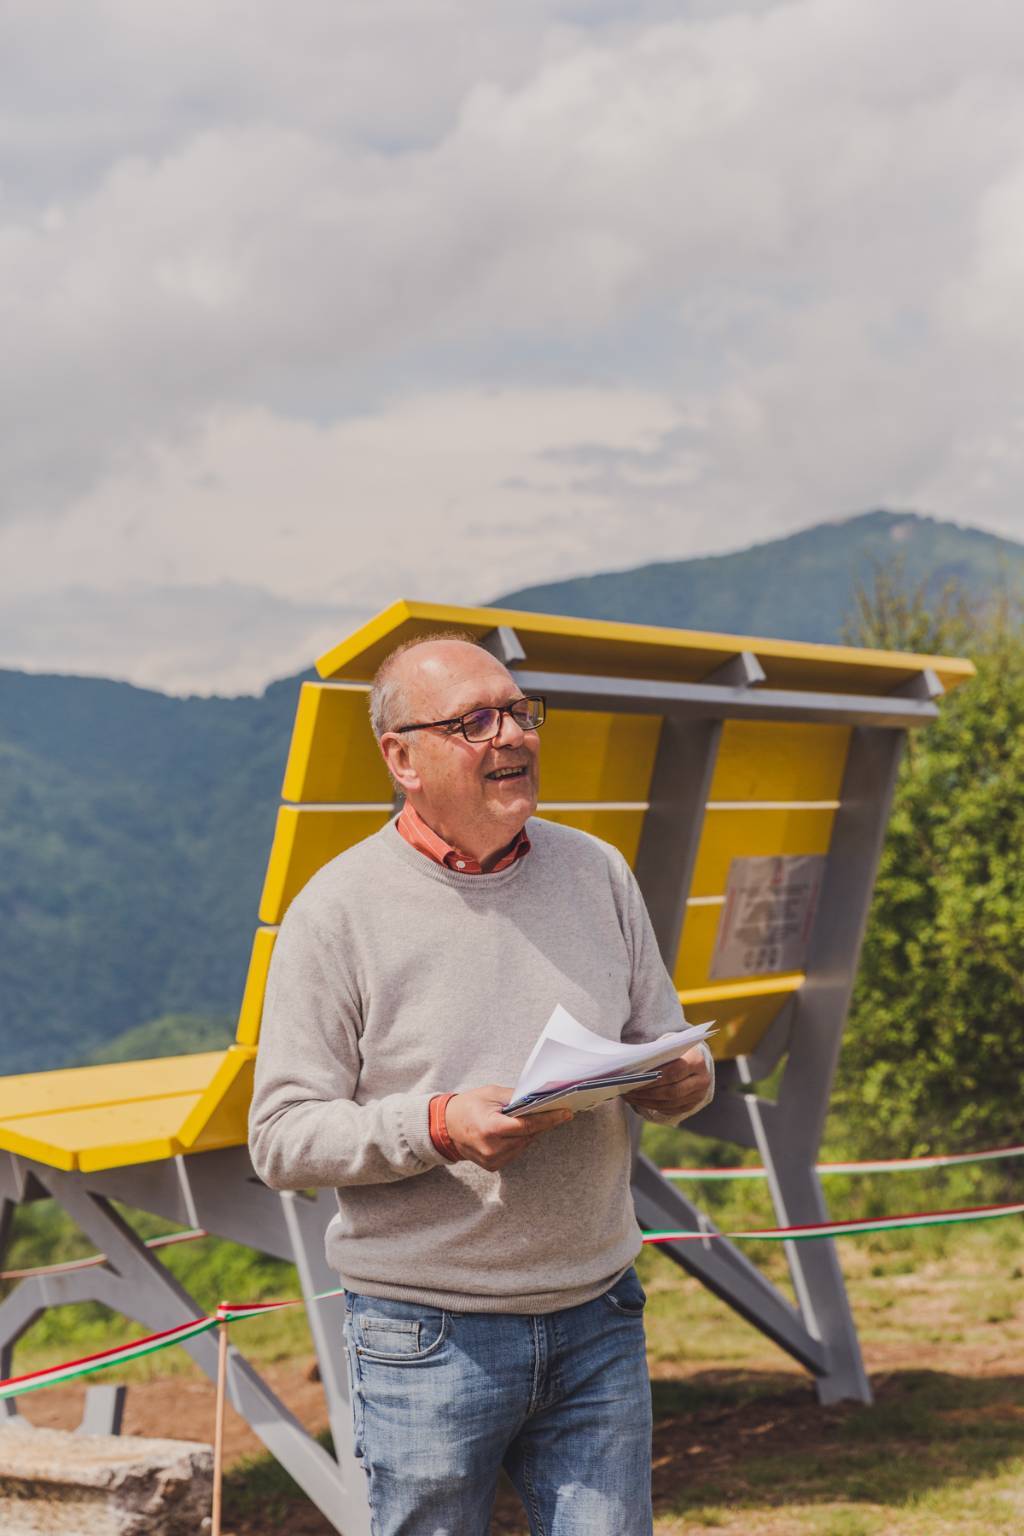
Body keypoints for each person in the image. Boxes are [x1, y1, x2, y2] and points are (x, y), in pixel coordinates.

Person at [249, 633, 713, 1536]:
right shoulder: (337, 911)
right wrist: (440, 1124)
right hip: (426, 1335)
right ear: (402, 758)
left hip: (599, 1309)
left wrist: (674, 1081)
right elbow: (281, 1136)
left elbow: (660, 1042)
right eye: (474, 722)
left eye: (519, 712)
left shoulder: (598, 872)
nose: (513, 735)